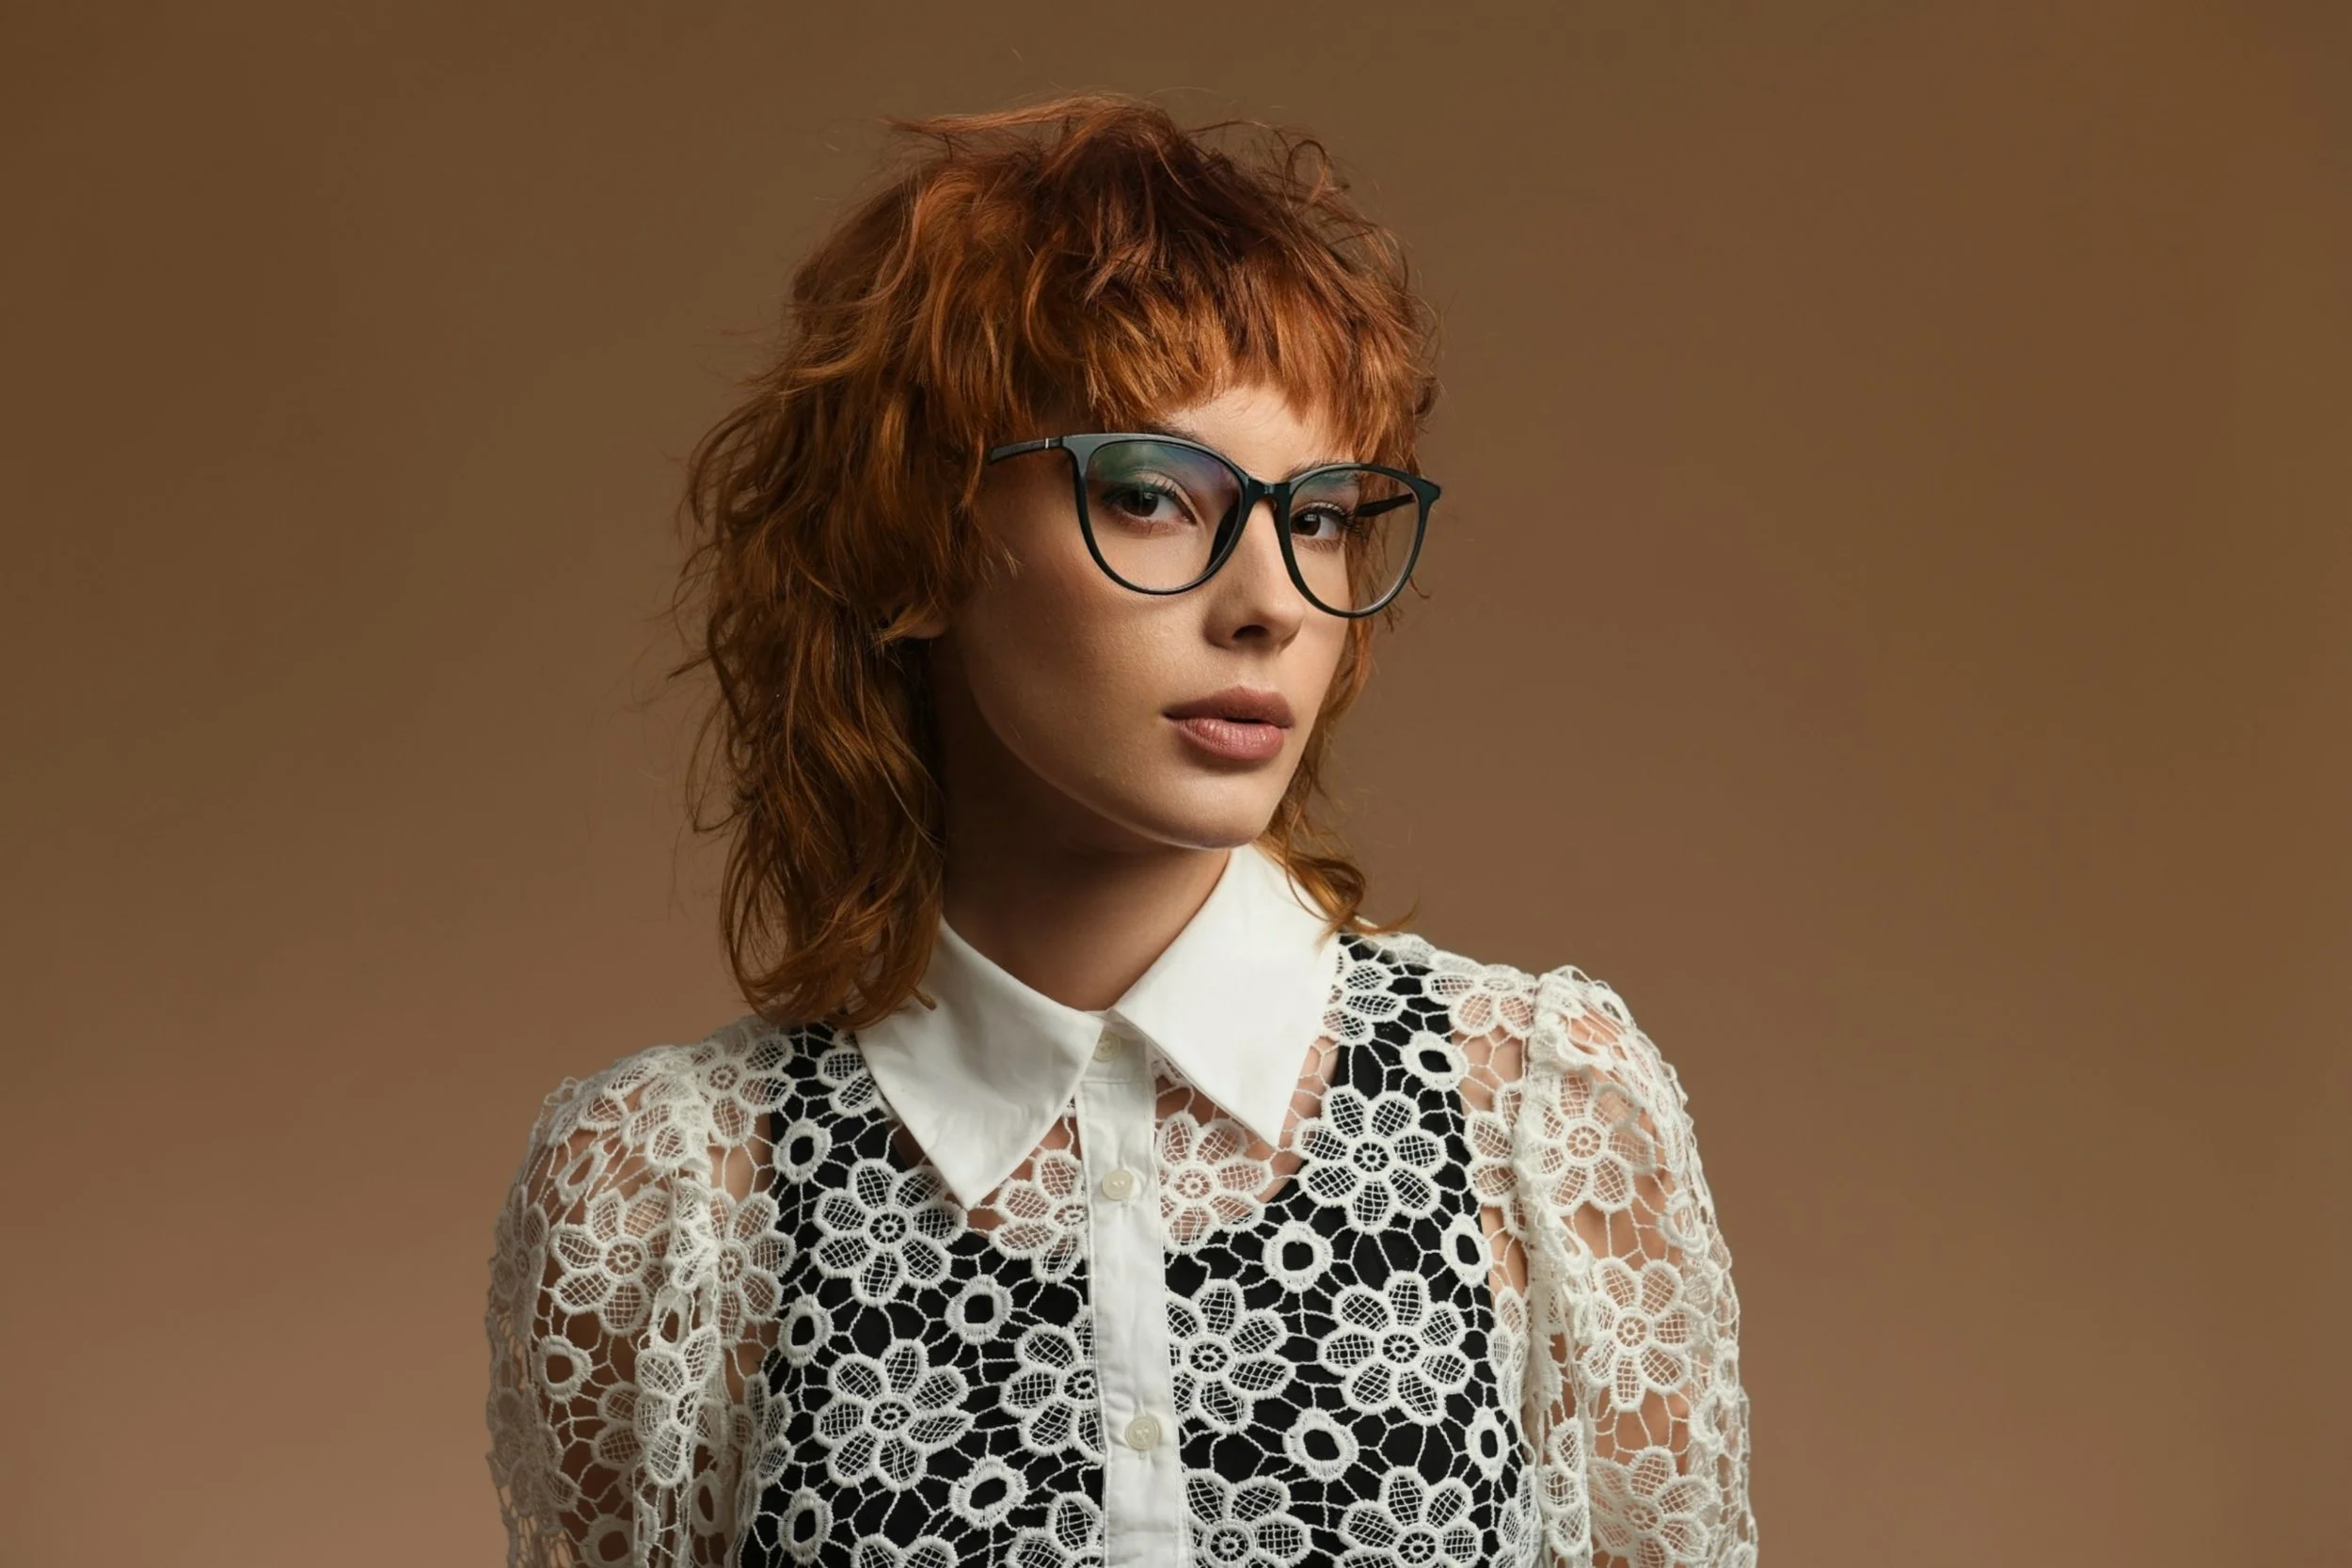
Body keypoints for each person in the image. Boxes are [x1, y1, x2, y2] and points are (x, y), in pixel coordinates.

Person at [485, 91, 1757, 1568]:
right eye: (1155, 495)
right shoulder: (663, 1197)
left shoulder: (1538, 1116)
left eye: (1327, 514)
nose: (1272, 600)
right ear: (914, 537)